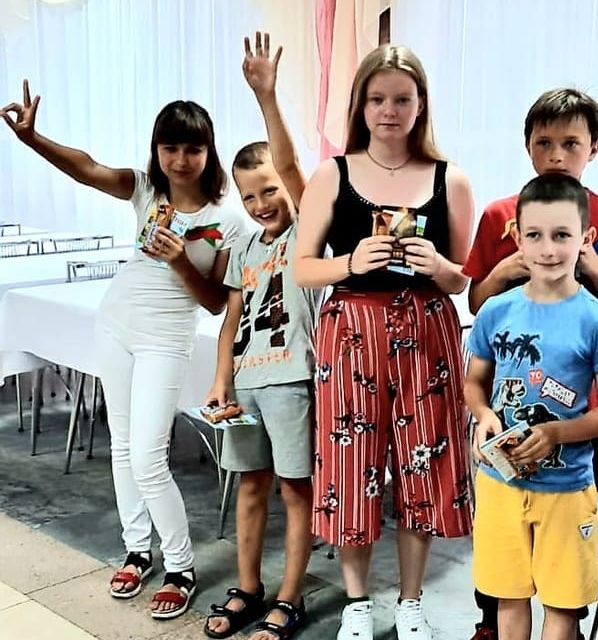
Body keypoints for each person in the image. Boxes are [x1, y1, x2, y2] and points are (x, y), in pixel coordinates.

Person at [2, 81, 246, 619]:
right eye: (170, 147)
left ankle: (180, 565)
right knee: (123, 446)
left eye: (193, 148)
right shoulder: (145, 191)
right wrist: (32, 139)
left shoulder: (227, 221)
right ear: (156, 150)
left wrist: (180, 259)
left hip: (167, 337)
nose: (180, 160)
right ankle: (137, 549)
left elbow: (213, 302)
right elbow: (87, 168)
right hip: (115, 324)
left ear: (209, 152)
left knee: (149, 457)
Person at [293, 44, 476, 640]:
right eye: (377, 99)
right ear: (360, 106)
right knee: (351, 463)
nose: (389, 111)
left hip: (428, 329)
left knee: (424, 462)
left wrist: (438, 265)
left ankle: (411, 600)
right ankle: (356, 601)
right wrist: (351, 260)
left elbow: (465, 279)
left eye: (401, 99)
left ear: (421, 104)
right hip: (352, 329)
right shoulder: (332, 174)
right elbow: (302, 267)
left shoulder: (451, 179)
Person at [462, 86, 598, 640]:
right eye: (545, 143)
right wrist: (484, 418)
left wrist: (560, 432)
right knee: (507, 593)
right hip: (500, 475)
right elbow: (476, 366)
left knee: (563, 599)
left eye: (571, 143)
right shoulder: (499, 287)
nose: (558, 155)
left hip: (569, 472)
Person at [202, 33, 314, 640]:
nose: (262, 202)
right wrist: (221, 381)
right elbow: (230, 319)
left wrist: (266, 96)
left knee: (296, 490)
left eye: (270, 189)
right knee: (250, 485)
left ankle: (291, 597)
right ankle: (248, 588)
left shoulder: (310, 231)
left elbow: (293, 170)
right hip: (247, 383)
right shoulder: (245, 244)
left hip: (293, 380)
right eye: (250, 195)